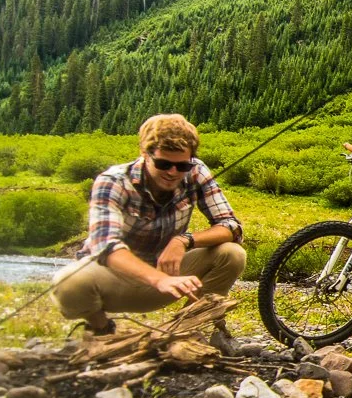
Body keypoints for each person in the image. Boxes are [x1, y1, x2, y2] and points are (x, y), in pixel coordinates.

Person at [51, 113, 246, 340]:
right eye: (163, 163)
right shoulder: (112, 181)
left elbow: (231, 227)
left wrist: (184, 240)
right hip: (115, 280)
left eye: (181, 165)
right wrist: (159, 280)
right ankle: (102, 329)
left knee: (232, 254)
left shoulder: (195, 170)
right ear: (144, 153)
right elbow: (106, 246)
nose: (173, 172)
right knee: (67, 282)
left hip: (170, 274)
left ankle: (189, 329)